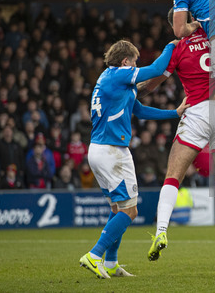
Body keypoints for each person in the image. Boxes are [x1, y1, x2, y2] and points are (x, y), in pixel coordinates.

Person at [141, 8, 215, 267]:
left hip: (197, 111)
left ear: (174, 26)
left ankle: (161, 233)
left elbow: (152, 84)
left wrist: (130, 94)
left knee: (172, 176)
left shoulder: (177, 47)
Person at [79, 39, 189, 279]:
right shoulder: (119, 75)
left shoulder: (111, 80)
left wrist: (174, 113)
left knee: (118, 208)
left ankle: (110, 263)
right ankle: (94, 255)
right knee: (130, 211)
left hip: (100, 149)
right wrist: (172, 46)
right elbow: (157, 69)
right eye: (135, 62)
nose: (136, 66)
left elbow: (138, 110)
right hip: (112, 151)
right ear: (126, 61)